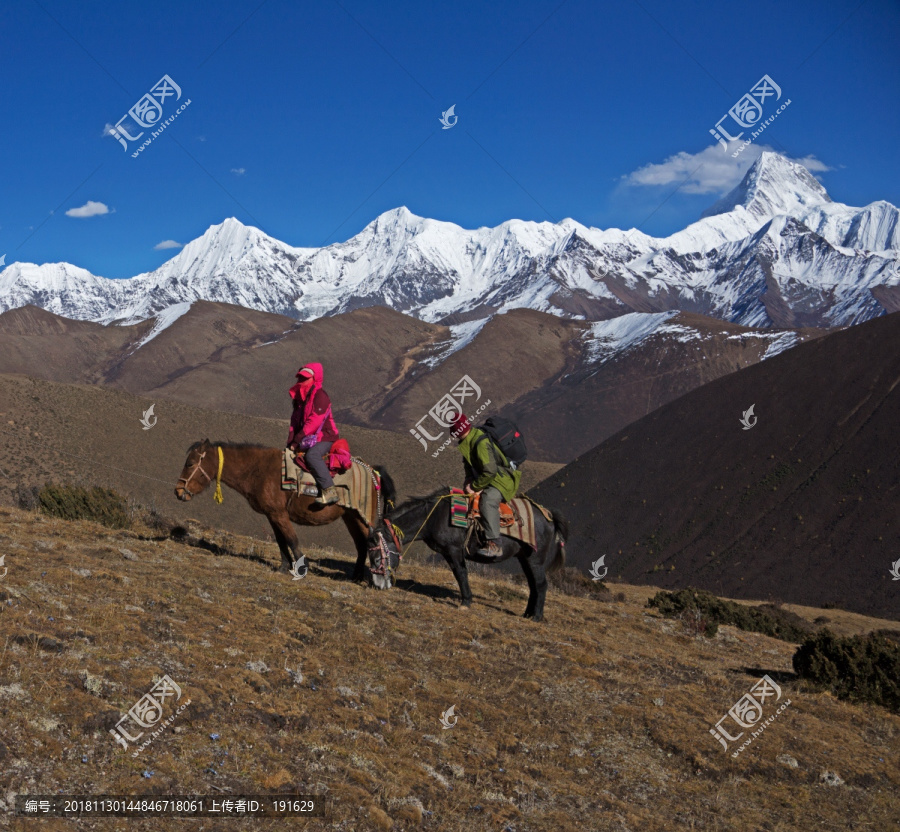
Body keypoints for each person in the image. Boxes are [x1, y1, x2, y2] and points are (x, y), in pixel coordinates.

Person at [453, 413, 521, 558]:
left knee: (488, 502)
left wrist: (476, 486)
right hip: (488, 478)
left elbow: (490, 471)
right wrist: (469, 479)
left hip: (502, 480)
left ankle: (495, 544)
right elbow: (469, 464)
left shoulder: (480, 443)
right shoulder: (468, 442)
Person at [287, 363, 340, 506]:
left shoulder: (320, 396)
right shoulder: (301, 400)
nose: (301, 382)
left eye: (306, 378)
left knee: (312, 456)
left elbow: (314, 421)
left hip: (325, 437)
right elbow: (295, 423)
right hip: (308, 439)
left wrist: (297, 440)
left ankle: (330, 491)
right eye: (300, 378)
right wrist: (290, 443)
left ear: (315, 379)